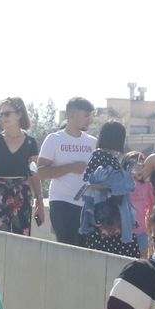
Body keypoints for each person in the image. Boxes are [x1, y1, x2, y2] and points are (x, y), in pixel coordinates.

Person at [36, 97, 98, 244]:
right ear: (72, 115)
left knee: (86, 250)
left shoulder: (92, 142)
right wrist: (71, 168)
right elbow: (41, 172)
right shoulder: (54, 139)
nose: (89, 119)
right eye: (86, 115)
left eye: (90, 115)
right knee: (68, 248)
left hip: (87, 206)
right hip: (62, 203)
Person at [0, 97, 44, 235]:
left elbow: (34, 172)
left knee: (23, 237)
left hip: (23, 193)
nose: (3, 117)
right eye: (1, 114)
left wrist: (40, 201)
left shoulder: (30, 142)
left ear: (19, 114)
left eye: (7, 113)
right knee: (0, 238)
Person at [77, 121, 139, 257]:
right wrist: (113, 185)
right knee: (115, 253)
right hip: (104, 214)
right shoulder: (100, 155)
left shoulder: (111, 157)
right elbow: (90, 180)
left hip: (113, 214)